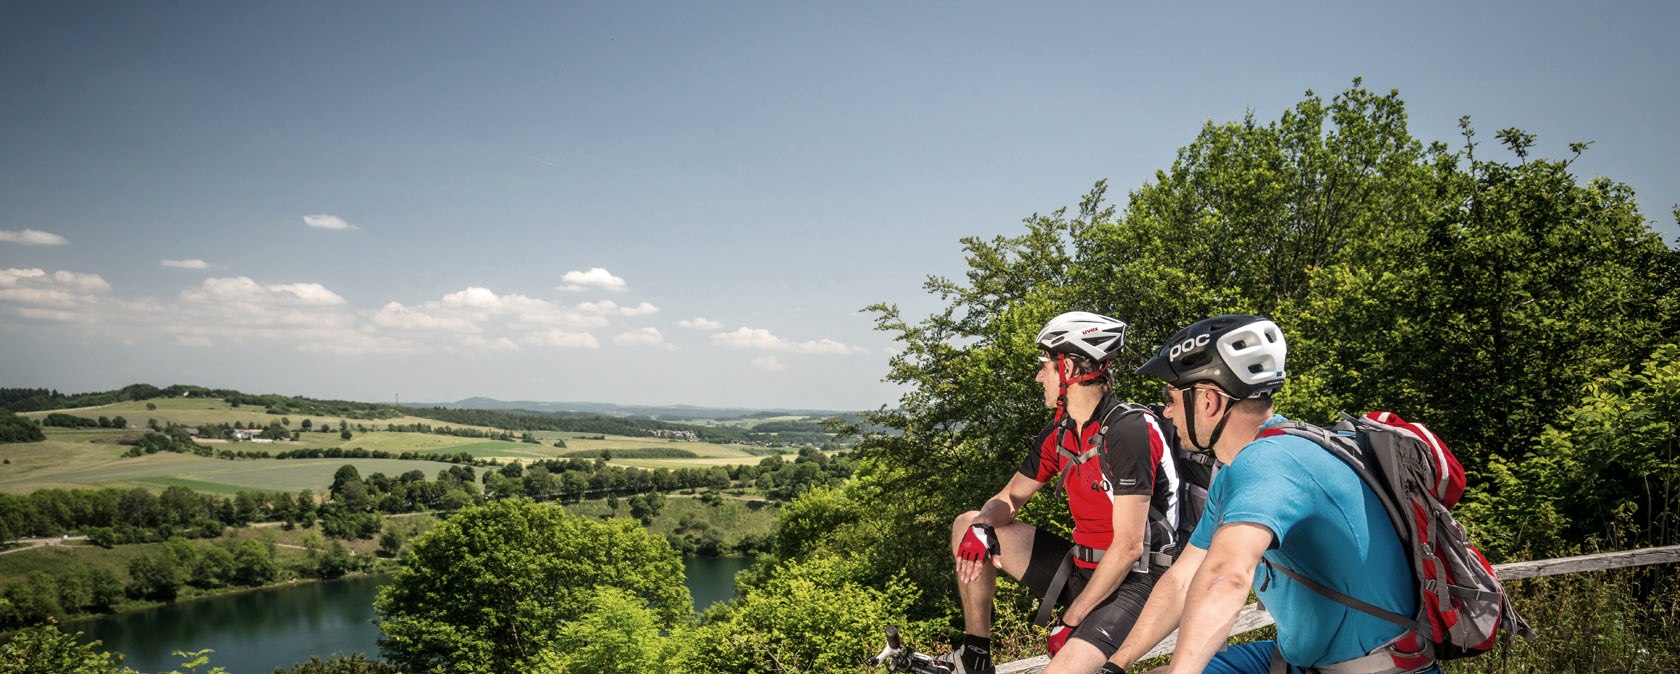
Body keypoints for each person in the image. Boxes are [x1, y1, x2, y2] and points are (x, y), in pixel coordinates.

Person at [1096, 314, 1438, 674]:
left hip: (1379, 668)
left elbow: (1226, 577)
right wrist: (1116, 665)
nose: (1166, 412)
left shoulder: (1268, 463)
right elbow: (1183, 578)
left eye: (1171, 398)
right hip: (1302, 661)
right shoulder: (1236, 470)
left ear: (1208, 401)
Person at [946, 311, 1203, 674]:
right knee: (967, 524)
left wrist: (1070, 621)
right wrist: (984, 524)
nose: (1039, 376)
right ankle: (975, 656)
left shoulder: (1127, 432)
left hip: (1137, 582)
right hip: (1083, 568)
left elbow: (1129, 547)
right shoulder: (1062, 432)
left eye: (1045, 366)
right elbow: (1010, 498)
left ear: (1066, 369)